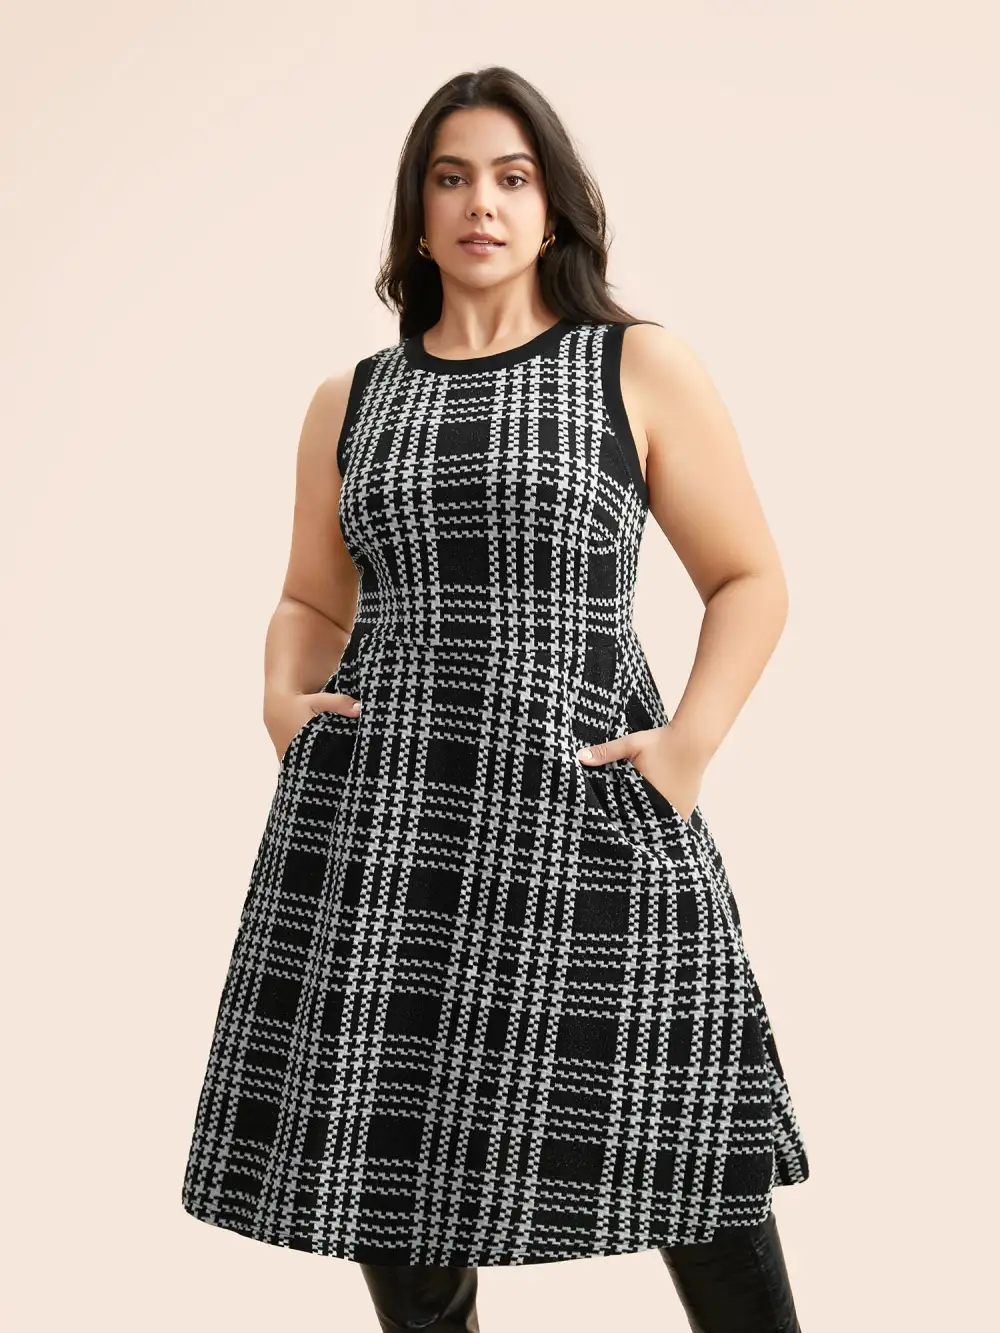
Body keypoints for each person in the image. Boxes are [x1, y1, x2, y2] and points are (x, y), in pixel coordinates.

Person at [181, 65, 809, 1332]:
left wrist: (687, 748)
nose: (482, 203)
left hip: (588, 812)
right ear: (416, 216)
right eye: (452, 178)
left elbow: (748, 579)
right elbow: (310, 599)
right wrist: (282, 698)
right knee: (392, 1168)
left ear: (553, 207)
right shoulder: (352, 398)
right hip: (387, 826)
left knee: (694, 1144)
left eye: (513, 179)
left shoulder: (634, 364)